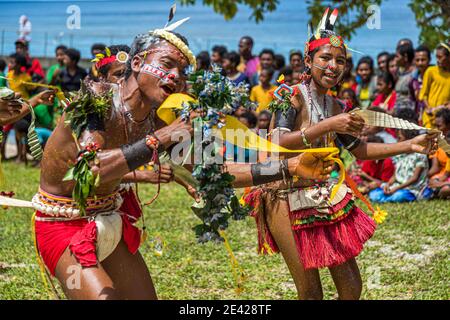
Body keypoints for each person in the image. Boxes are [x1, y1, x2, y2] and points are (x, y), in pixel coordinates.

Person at [33, 22, 333, 300]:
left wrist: (289, 167)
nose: (176, 76)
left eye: (182, 70)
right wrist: (162, 138)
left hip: (111, 221)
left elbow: (215, 172)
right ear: (136, 63)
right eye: (167, 64)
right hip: (63, 225)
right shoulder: (96, 99)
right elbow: (93, 168)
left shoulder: (161, 118)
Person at [243, 9, 437, 300]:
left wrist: (410, 145)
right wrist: (329, 125)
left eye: (340, 61)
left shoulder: (336, 106)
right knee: (310, 294)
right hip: (282, 197)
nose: (333, 66)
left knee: (351, 288)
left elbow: (359, 150)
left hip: (320, 196)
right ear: (308, 61)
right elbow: (279, 142)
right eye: (325, 58)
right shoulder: (289, 96)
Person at [369, 128, 432, 203]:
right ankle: (388, 198)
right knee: (373, 194)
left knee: (399, 196)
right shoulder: (399, 155)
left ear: (409, 140)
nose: (397, 141)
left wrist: (397, 188)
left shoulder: (420, 156)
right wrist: (388, 184)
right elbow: (395, 175)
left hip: (411, 189)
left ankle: (387, 198)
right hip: (396, 187)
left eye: (399, 138)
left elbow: (414, 178)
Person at [419, 42, 450, 128]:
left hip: (444, 120)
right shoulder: (431, 71)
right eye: (436, 56)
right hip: (429, 117)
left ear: (448, 57)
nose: (437, 60)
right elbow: (423, 94)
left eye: (440, 57)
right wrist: (428, 108)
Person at [411, 45, 431, 122]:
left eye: (423, 60)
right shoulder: (413, 81)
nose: (420, 63)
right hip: (419, 120)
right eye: (417, 60)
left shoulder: (436, 77)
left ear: (429, 60)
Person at [394, 44, 415, 111]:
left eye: (397, 56)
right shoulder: (401, 74)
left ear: (405, 57)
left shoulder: (414, 74)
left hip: (409, 114)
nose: (395, 59)